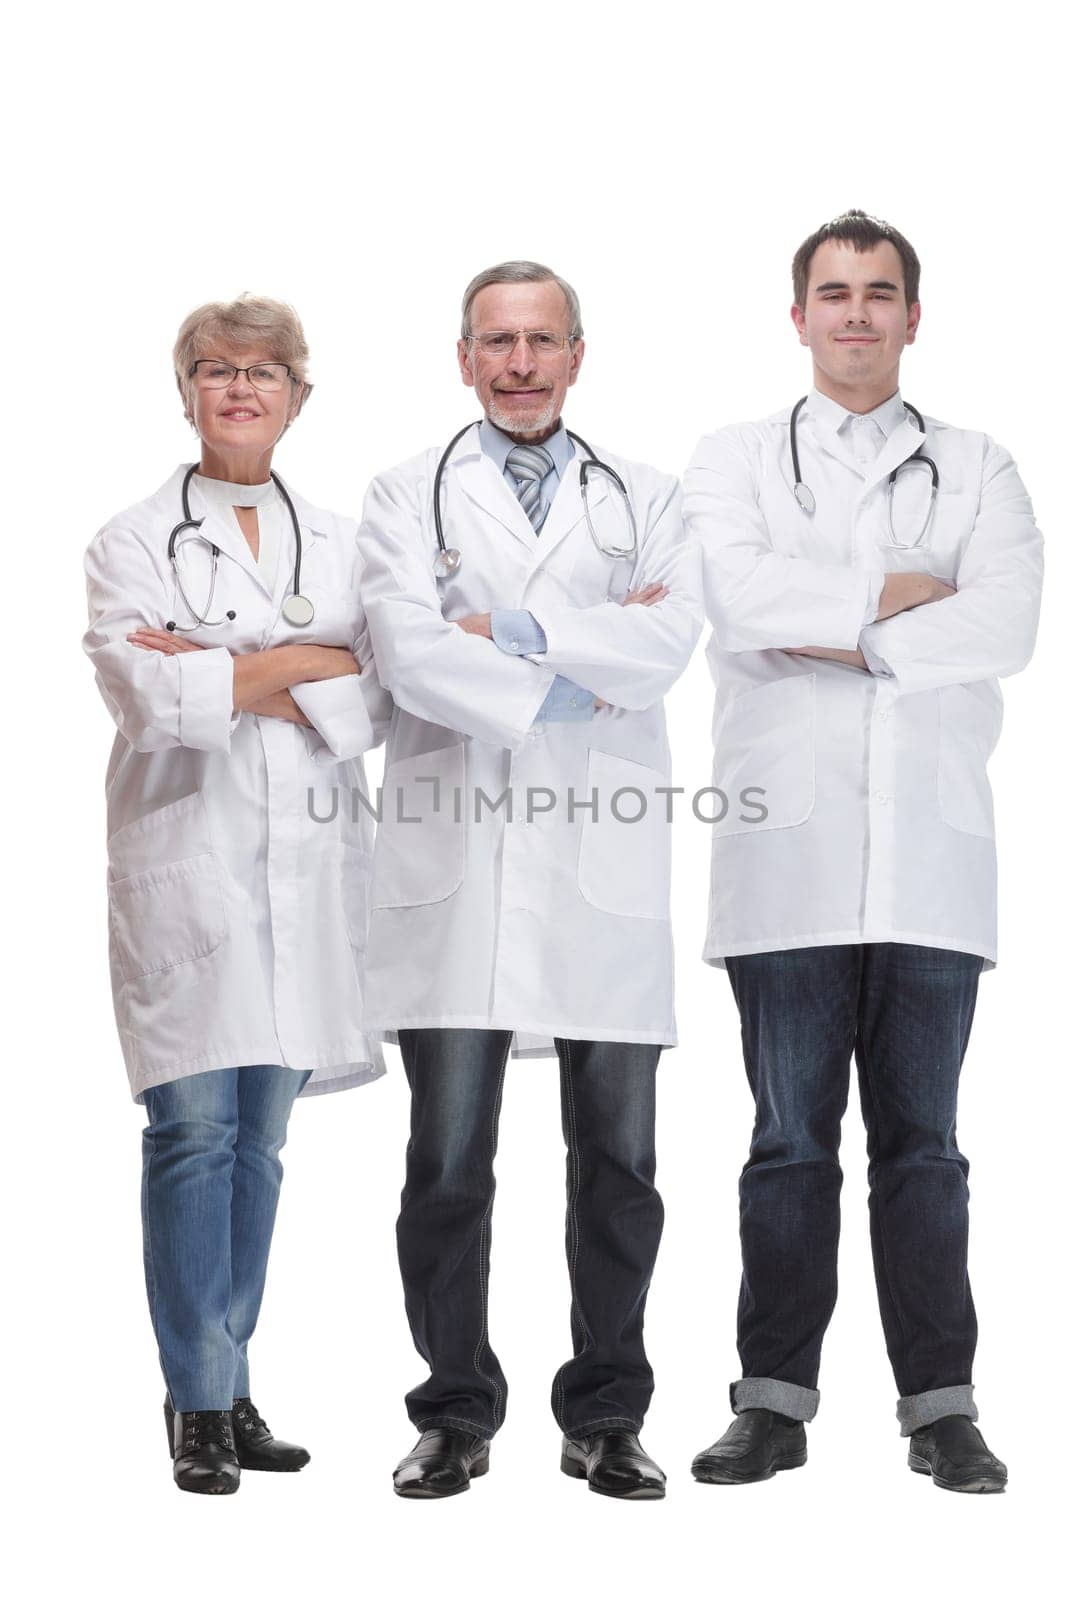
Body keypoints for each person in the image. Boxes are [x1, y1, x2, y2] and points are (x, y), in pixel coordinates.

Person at [682, 210, 1043, 1493]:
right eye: (830, 294)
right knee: (786, 1141)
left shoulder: (979, 464)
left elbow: (1005, 625)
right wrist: (902, 599)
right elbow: (736, 598)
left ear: (910, 315)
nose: (853, 314)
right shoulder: (730, 460)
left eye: (876, 293)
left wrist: (828, 616)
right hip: (784, 855)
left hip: (932, 867)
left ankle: (938, 1407)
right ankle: (770, 1404)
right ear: (796, 318)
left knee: (925, 1148)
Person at [357, 260, 703, 1501]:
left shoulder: (649, 498)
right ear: (462, 357)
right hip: (454, 867)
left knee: (618, 1164)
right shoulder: (404, 496)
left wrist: (494, 637)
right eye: (495, 342)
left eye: (539, 341)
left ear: (575, 355)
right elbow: (402, 651)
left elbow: (666, 647)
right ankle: (454, 1410)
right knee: (445, 1164)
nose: (518, 364)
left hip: (596, 870)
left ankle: (606, 1411)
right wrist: (578, 665)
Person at [83, 295, 392, 1494]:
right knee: (191, 1137)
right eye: (217, 369)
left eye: (265, 370)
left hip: (307, 875)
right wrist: (309, 662)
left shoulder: (347, 538)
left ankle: (229, 1377)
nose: (242, 387)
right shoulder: (127, 539)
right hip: (190, 865)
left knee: (259, 1147)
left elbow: (375, 705)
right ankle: (198, 1401)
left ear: (299, 396)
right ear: (188, 393)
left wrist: (224, 668)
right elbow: (154, 705)